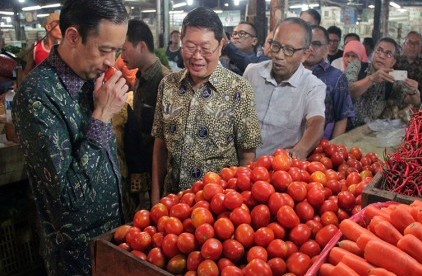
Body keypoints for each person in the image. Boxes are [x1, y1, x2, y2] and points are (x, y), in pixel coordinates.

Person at [11, 0, 129, 274]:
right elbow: (67, 202)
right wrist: (101, 116)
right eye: (104, 50)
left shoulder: (92, 79)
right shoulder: (37, 96)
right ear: (73, 37)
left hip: (112, 239)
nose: (111, 62)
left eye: (117, 50)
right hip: (77, 256)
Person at [151, 7, 261, 204]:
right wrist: (155, 199)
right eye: (190, 47)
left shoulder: (239, 89)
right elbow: (160, 147)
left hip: (217, 211)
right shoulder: (168, 85)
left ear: (220, 45)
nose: (197, 56)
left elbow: (247, 155)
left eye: (206, 48)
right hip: (171, 205)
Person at [244, 17, 326, 160]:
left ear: (305, 54)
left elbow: (316, 122)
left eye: (289, 50)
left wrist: (301, 149)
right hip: (241, 165)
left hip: (276, 170)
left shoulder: (313, 86)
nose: (279, 55)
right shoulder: (252, 73)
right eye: (275, 46)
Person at [120, 19, 171, 207]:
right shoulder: (140, 76)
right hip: (143, 165)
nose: (121, 55)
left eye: (124, 49)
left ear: (141, 46)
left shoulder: (165, 81)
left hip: (158, 169)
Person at [348, 37, 421, 128]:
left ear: (393, 62)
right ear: (373, 53)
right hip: (346, 128)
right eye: (379, 50)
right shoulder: (356, 66)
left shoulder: (391, 79)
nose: (381, 56)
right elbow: (348, 91)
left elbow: (415, 102)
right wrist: (371, 79)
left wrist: (413, 91)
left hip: (370, 133)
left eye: (388, 54)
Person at [303, 26, 354, 139]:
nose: (310, 48)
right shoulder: (291, 71)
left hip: (321, 144)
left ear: (326, 49)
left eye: (316, 44)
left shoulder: (336, 77)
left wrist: (332, 147)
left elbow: (342, 117)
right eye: (306, 42)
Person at [395, 31, 422, 104]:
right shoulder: (395, 62)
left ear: (421, 47)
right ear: (404, 44)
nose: (412, 46)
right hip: (395, 107)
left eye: (416, 43)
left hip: (417, 107)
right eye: (409, 43)